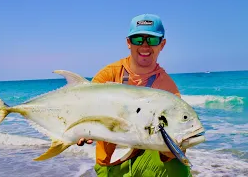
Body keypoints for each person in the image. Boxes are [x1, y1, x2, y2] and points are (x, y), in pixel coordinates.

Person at [77, 14, 192, 177]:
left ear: (162, 44)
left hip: (149, 158)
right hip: (111, 161)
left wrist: (177, 145)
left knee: (179, 168)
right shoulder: (108, 75)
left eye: (152, 40)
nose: (145, 46)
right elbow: (82, 108)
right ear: (128, 42)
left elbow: (177, 145)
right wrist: (79, 130)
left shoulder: (168, 88)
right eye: (138, 39)